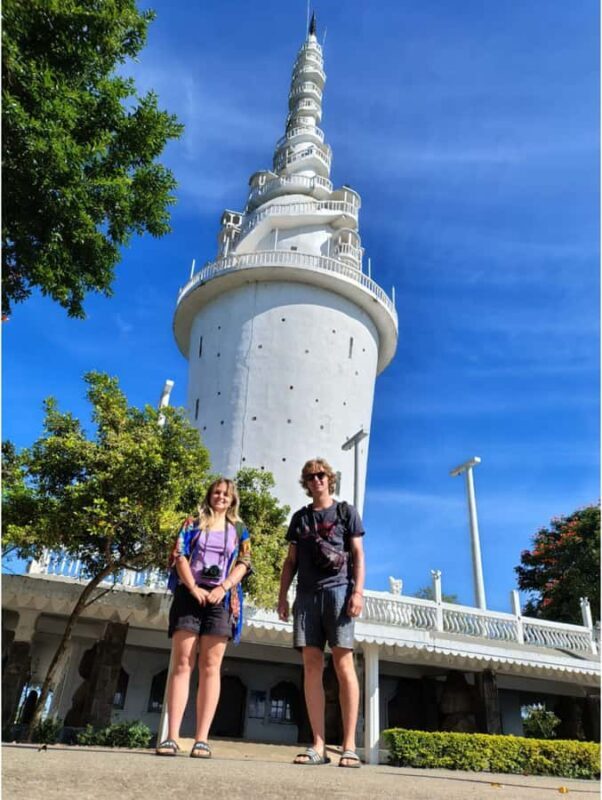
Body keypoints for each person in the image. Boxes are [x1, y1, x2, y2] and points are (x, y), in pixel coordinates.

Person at [277, 458, 365, 768]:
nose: (316, 480)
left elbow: (357, 553)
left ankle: (349, 745)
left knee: (343, 664)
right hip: (306, 595)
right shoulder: (299, 518)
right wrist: (282, 595)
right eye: (310, 477)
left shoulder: (345, 512)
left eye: (321, 475)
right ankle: (317, 744)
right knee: (311, 666)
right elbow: (291, 561)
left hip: (339, 591)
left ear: (330, 479)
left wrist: (357, 592)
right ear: (306, 482)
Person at [156, 477, 251, 758]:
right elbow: (179, 554)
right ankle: (171, 736)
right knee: (182, 663)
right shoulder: (192, 521)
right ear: (209, 495)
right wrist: (192, 586)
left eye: (226, 494)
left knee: (211, 666)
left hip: (220, 599)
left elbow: (245, 562)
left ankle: (201, 739)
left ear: (232, 499)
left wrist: (223, 587)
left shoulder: (240, 528)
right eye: (216, 493)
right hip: (190, 594)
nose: (221, 497)